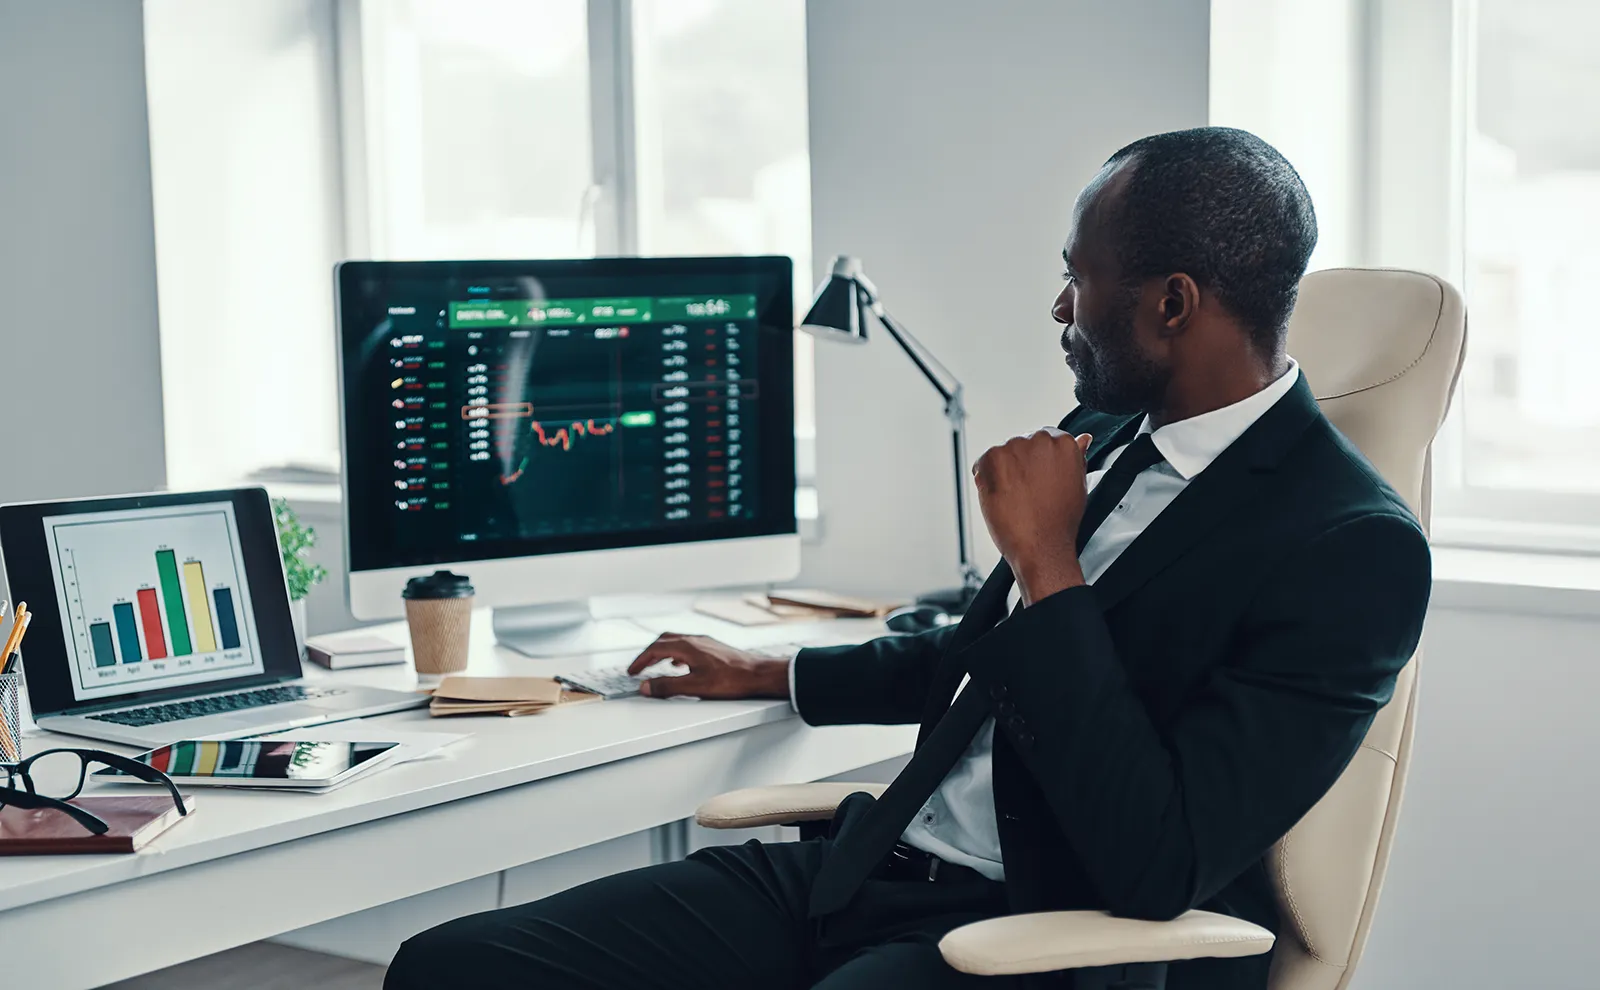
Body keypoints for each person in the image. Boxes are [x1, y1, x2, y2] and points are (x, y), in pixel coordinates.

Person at [385, 127, 1432, 990]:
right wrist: (770, 670)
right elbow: (985, 663)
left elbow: (1157, 860)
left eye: (1077, 279)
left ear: (1171, 303)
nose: (1060, 310)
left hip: (1051, 940)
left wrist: (1047, 563)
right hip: (875, 874)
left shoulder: (1351, 549)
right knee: (455, 969)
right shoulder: (1115, 430)